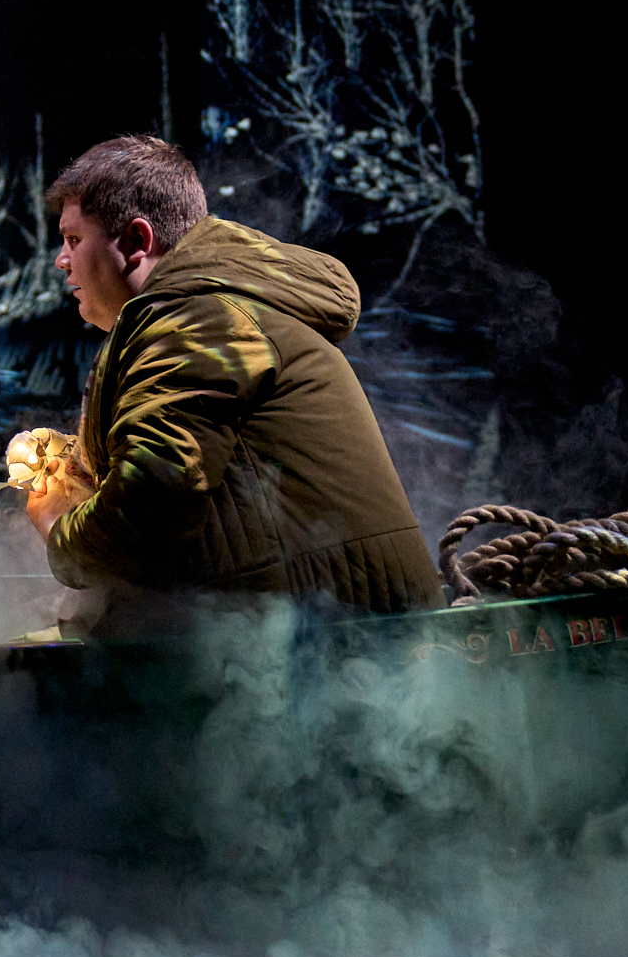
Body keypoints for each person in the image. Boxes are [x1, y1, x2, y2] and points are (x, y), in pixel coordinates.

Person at [23, 136, 438, 615]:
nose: (61, 259)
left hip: (341, 645)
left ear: (137, 242)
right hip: (333, 632)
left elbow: (149, 510)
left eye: (74, 239)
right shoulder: (214, 310)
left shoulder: (196, 321)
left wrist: (55, 521)